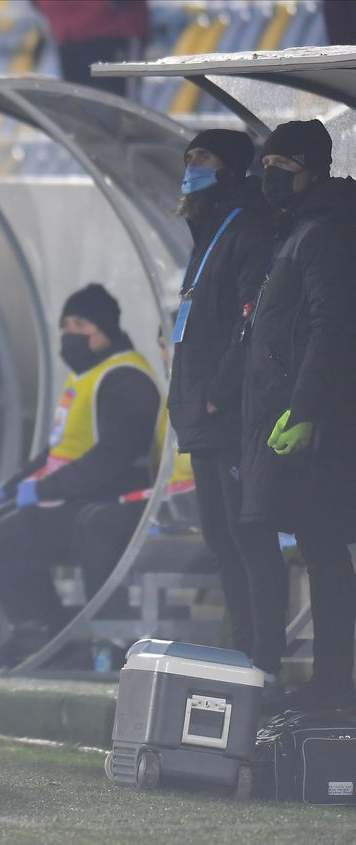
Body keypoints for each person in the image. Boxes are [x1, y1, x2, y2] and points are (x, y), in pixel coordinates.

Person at [0, 284, 161, 668]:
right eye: (65, 325)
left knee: (10, 535)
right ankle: (35, 628)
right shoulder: (86, 376)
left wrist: (43, 489)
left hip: (111, 499)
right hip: (77, 495)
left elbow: (114, 457)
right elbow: (59, 450)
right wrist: (9, 488)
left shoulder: (126, 378)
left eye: (81, 323)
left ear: (105, 327)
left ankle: (59, 636)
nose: (69, 333)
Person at [241, 120, 356, 710]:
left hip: (321, 424)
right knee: (317, 546)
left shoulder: (324, 234)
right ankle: (330, 681)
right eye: (266, 166)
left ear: (312, 167)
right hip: (287, 416)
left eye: (282, 167)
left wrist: (305, 409)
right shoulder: (298, 230)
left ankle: (335, 683)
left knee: (325, 547)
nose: (270, 177)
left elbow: (329, 329)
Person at [166, 129, 286, 684]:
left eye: (204, 156)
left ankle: (266, 662)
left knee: (248, 537)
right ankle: (244, 658)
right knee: (220, 540)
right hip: (204, 416)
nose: (192, 165)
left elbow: (250, 318)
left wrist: (217, 390)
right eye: (189, 156)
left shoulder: (246, 228)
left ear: (234, 168)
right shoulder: (207, 232)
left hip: (232, 413)